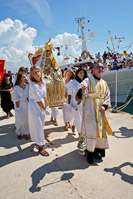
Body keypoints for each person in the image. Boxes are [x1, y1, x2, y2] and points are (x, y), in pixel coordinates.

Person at [76, 63, 112, 164]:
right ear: (93, 69)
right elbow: (79, 90)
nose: (100, 69)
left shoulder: (104, 83)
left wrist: (104, 106)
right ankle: (89, 152)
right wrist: (81, 91)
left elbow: (107, 96)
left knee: (98, 131)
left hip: (100, 112)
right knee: (90, 131)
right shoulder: (88, 80)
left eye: (102, 67)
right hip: (89, 111)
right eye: (98, 67)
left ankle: (96, 150)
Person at [28, 65, 49, 156]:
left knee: (42, 124)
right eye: (34, 73)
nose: (37, 74)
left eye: (38, 71)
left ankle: (37, 140)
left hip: (41, 105)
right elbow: (37, 99)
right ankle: (41, 146)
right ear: (32, 75)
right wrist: (44, 108)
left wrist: (47, 106)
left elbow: (45, 95)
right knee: (38, 125)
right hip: (34, 107)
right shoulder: (33, 85)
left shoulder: (43, 82)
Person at [68, 68, 88, 135]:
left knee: (81, 118)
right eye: (80, 73)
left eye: (83, 73)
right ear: (77, 73)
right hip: (75, 103)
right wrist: (69, 103)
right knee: (79, 119)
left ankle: (73, 126)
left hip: (84, 103)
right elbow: (69, 93)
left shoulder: (86, 81)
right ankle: (80, 134)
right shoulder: (72, 82)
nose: (82, 74)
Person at [12, 72, 30, 139]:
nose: (25, 78)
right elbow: (15, 98)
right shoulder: (16, 87)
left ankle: (26, 132)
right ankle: (19, 132)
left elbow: (29, 96)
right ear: (20, 78)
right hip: (19, 104)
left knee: (26, 119)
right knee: (19, 119)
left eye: (25, 77)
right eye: (24, 77)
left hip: (27, 104)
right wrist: (18, 108)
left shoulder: (28, 86)